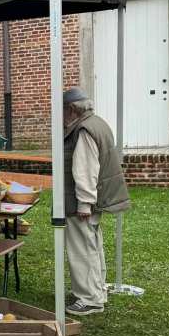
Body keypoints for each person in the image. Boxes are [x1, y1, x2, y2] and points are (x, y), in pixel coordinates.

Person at [62, 87, 131, 316]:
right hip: (92, 198)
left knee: (82, 249)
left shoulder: (83, 130)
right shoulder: (97, 123)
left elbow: (85, 170)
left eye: (63, 110)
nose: (61, 116)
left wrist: (84, 202)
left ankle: (89, 299)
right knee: (92, 245)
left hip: (83, 201)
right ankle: (97, 291)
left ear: (72, 109)